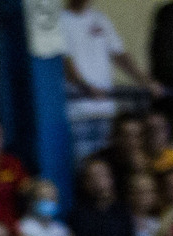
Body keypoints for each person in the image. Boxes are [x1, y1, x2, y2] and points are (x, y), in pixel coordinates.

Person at [60, 0, 158, 161]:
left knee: (109, 169)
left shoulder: (100, 19)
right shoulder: (61, 20)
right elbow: (65, 61)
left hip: (106, 111)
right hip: (78, 113)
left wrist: (146, 81)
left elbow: (119, 54)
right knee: (86, 167)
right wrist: (86, 87)